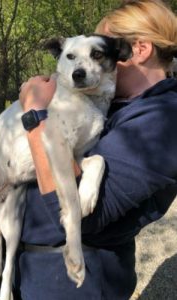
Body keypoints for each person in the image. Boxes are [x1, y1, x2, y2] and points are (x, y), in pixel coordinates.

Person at [15, 0, 177, 299]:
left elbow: (81, 217)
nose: (85, 67)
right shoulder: (115, 106)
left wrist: (35, 112)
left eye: (99, 53)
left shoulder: (163, 120)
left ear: (138, 50)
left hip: (79, 282)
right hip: (38, 270)